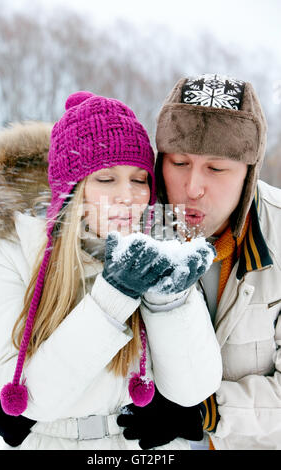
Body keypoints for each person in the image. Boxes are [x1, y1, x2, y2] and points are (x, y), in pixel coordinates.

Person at [0, 91, 222, 450]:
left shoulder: (160, 249)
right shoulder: (10, 254)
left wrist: (168, 302)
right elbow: (28, 398)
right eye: (106, 179)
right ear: (71, 190)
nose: (128, 195)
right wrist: (113, 297)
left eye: (139, 180)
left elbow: (193, 389)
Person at [118, 74, 281, 450]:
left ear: (249, 173)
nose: (192, 187)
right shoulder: (128, 225)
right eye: (179, 163)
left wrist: (209, 411)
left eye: (217, 168)